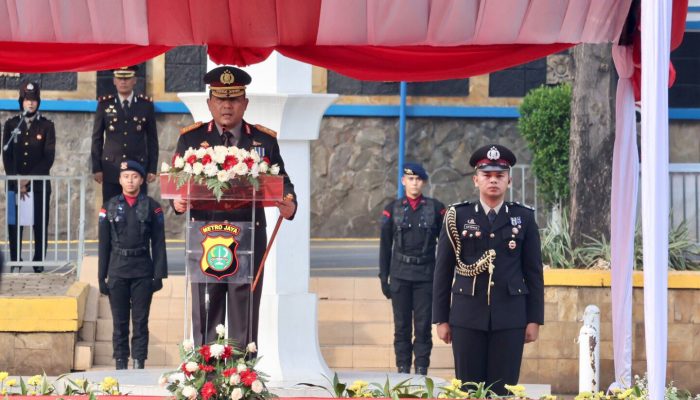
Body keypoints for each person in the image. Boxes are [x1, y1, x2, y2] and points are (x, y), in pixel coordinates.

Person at [172, 66, 297, 349]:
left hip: (247, 238)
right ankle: (204, 376)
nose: (226, 106)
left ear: (245, 103)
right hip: (206, 237)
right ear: (209, 103)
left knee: (244, 312)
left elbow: (283, 183)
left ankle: (241, 378)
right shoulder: (191, 140)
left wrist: (289, 203)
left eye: (234, 99)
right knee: (206, 309)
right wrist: (178, 202)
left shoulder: (263, 141)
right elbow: (177, 184)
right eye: (220, 99)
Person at [432, 144, 544, 395]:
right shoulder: (457, 217)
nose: (493, 180)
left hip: (511, 318)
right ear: (476, 180)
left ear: (509, 180)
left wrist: (534, 319)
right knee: (468, 390)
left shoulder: (523, 218)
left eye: (499, 176)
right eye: (487, 175)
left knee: (502, 390)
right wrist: (441, 318)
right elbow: (443, 271)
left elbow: (534, 272)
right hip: (467, 317)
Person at [98, 160, 168, 370]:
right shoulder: (108, 207)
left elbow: (158, 242)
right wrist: (101, 277)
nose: (130, 181)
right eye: (126, 176)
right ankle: (120, 363)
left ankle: (139, 363)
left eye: (134, 176)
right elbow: (104, 244)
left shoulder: (152, 207)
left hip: (142, 272)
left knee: (140, 322)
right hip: (117, 270)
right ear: (119, 180)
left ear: (141, 179)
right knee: (119, 324)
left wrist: (159, 274)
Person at [379, 162, 445, 375]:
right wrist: (383, 277)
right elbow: (385, 245)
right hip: (400, 275)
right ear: (403, 181)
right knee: (402, 327)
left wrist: (442, 278)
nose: (414, 183)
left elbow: (445, 246)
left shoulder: (435, 208)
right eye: (410, 179)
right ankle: (403, 368)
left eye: (418, 179)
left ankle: (422, 368)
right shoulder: (392, 209)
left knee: (424, 327)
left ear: (423, 182)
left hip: (426, 276)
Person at [2, 81, 56, 273]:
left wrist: (28, 179)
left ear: (38, 102)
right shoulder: (11, 125)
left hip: (39, 184)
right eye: (27, 100)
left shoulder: (47, 126)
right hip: (14, 183)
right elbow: (6, 155)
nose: (30, 104)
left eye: (33, 100)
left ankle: (38, 261)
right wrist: (17, 179)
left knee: (39, 223)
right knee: (14, 222)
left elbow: (48, 157)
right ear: (21, 101)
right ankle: (16, 260)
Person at [91, 65, 158, 203]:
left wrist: (152, 168)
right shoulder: (105, 104)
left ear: (134, 80)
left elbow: (152, 139)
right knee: (110, 211)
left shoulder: (145, 105)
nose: (123, 82)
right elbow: (97, 138)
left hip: (137, 170)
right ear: (114, 81)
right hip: (112, 169)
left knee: (139, 213)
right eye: (119, 78)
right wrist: (97, 168)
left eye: (127, 78)